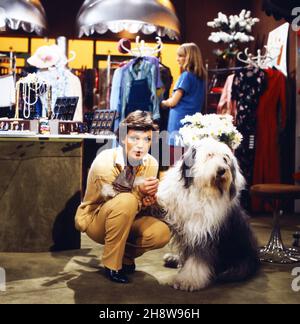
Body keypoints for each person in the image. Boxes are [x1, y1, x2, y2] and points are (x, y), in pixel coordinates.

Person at [75, 111, 171, 284]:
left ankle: (125, 256)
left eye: (147, 139)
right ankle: (112, 265)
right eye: (135, 138)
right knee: (127, 201)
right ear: (123, 138)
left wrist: (147, 201)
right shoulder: (105, 160)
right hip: (96, 219)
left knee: (161, 233)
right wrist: (139, 194)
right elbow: (113, 197)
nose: (140, 145)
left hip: (128, 216)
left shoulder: (151, 163)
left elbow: (137, 204)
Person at [161, 43, 206, 165]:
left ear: (189, 57)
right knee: (188, 165)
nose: (177, 59)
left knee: (175, 164)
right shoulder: (201, 78)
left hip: (178, 124)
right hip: (191, 125)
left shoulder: (185, 76)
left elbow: (173, 102)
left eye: (181, 56)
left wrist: (161, 103)